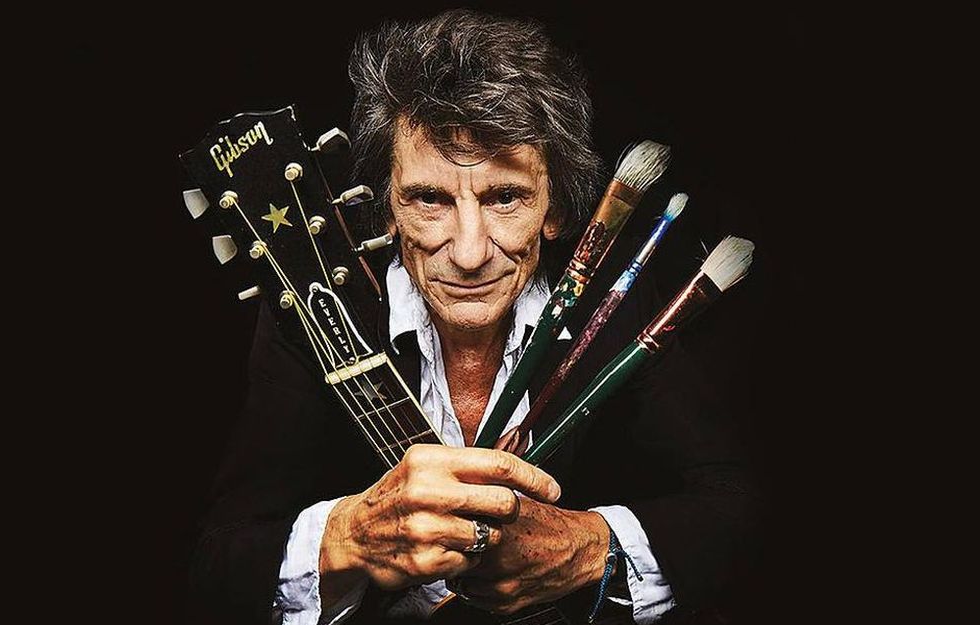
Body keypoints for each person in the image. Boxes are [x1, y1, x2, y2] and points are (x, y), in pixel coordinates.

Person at [189, 9, 759, 625]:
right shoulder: (315, 312)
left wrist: (589, 548)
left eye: (505, 197)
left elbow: (738, 513)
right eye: (429, 199)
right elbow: (217, 565)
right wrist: (349, 537)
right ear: (386, 210)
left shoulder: (616, 309)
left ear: (555, 209)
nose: (468, 253)